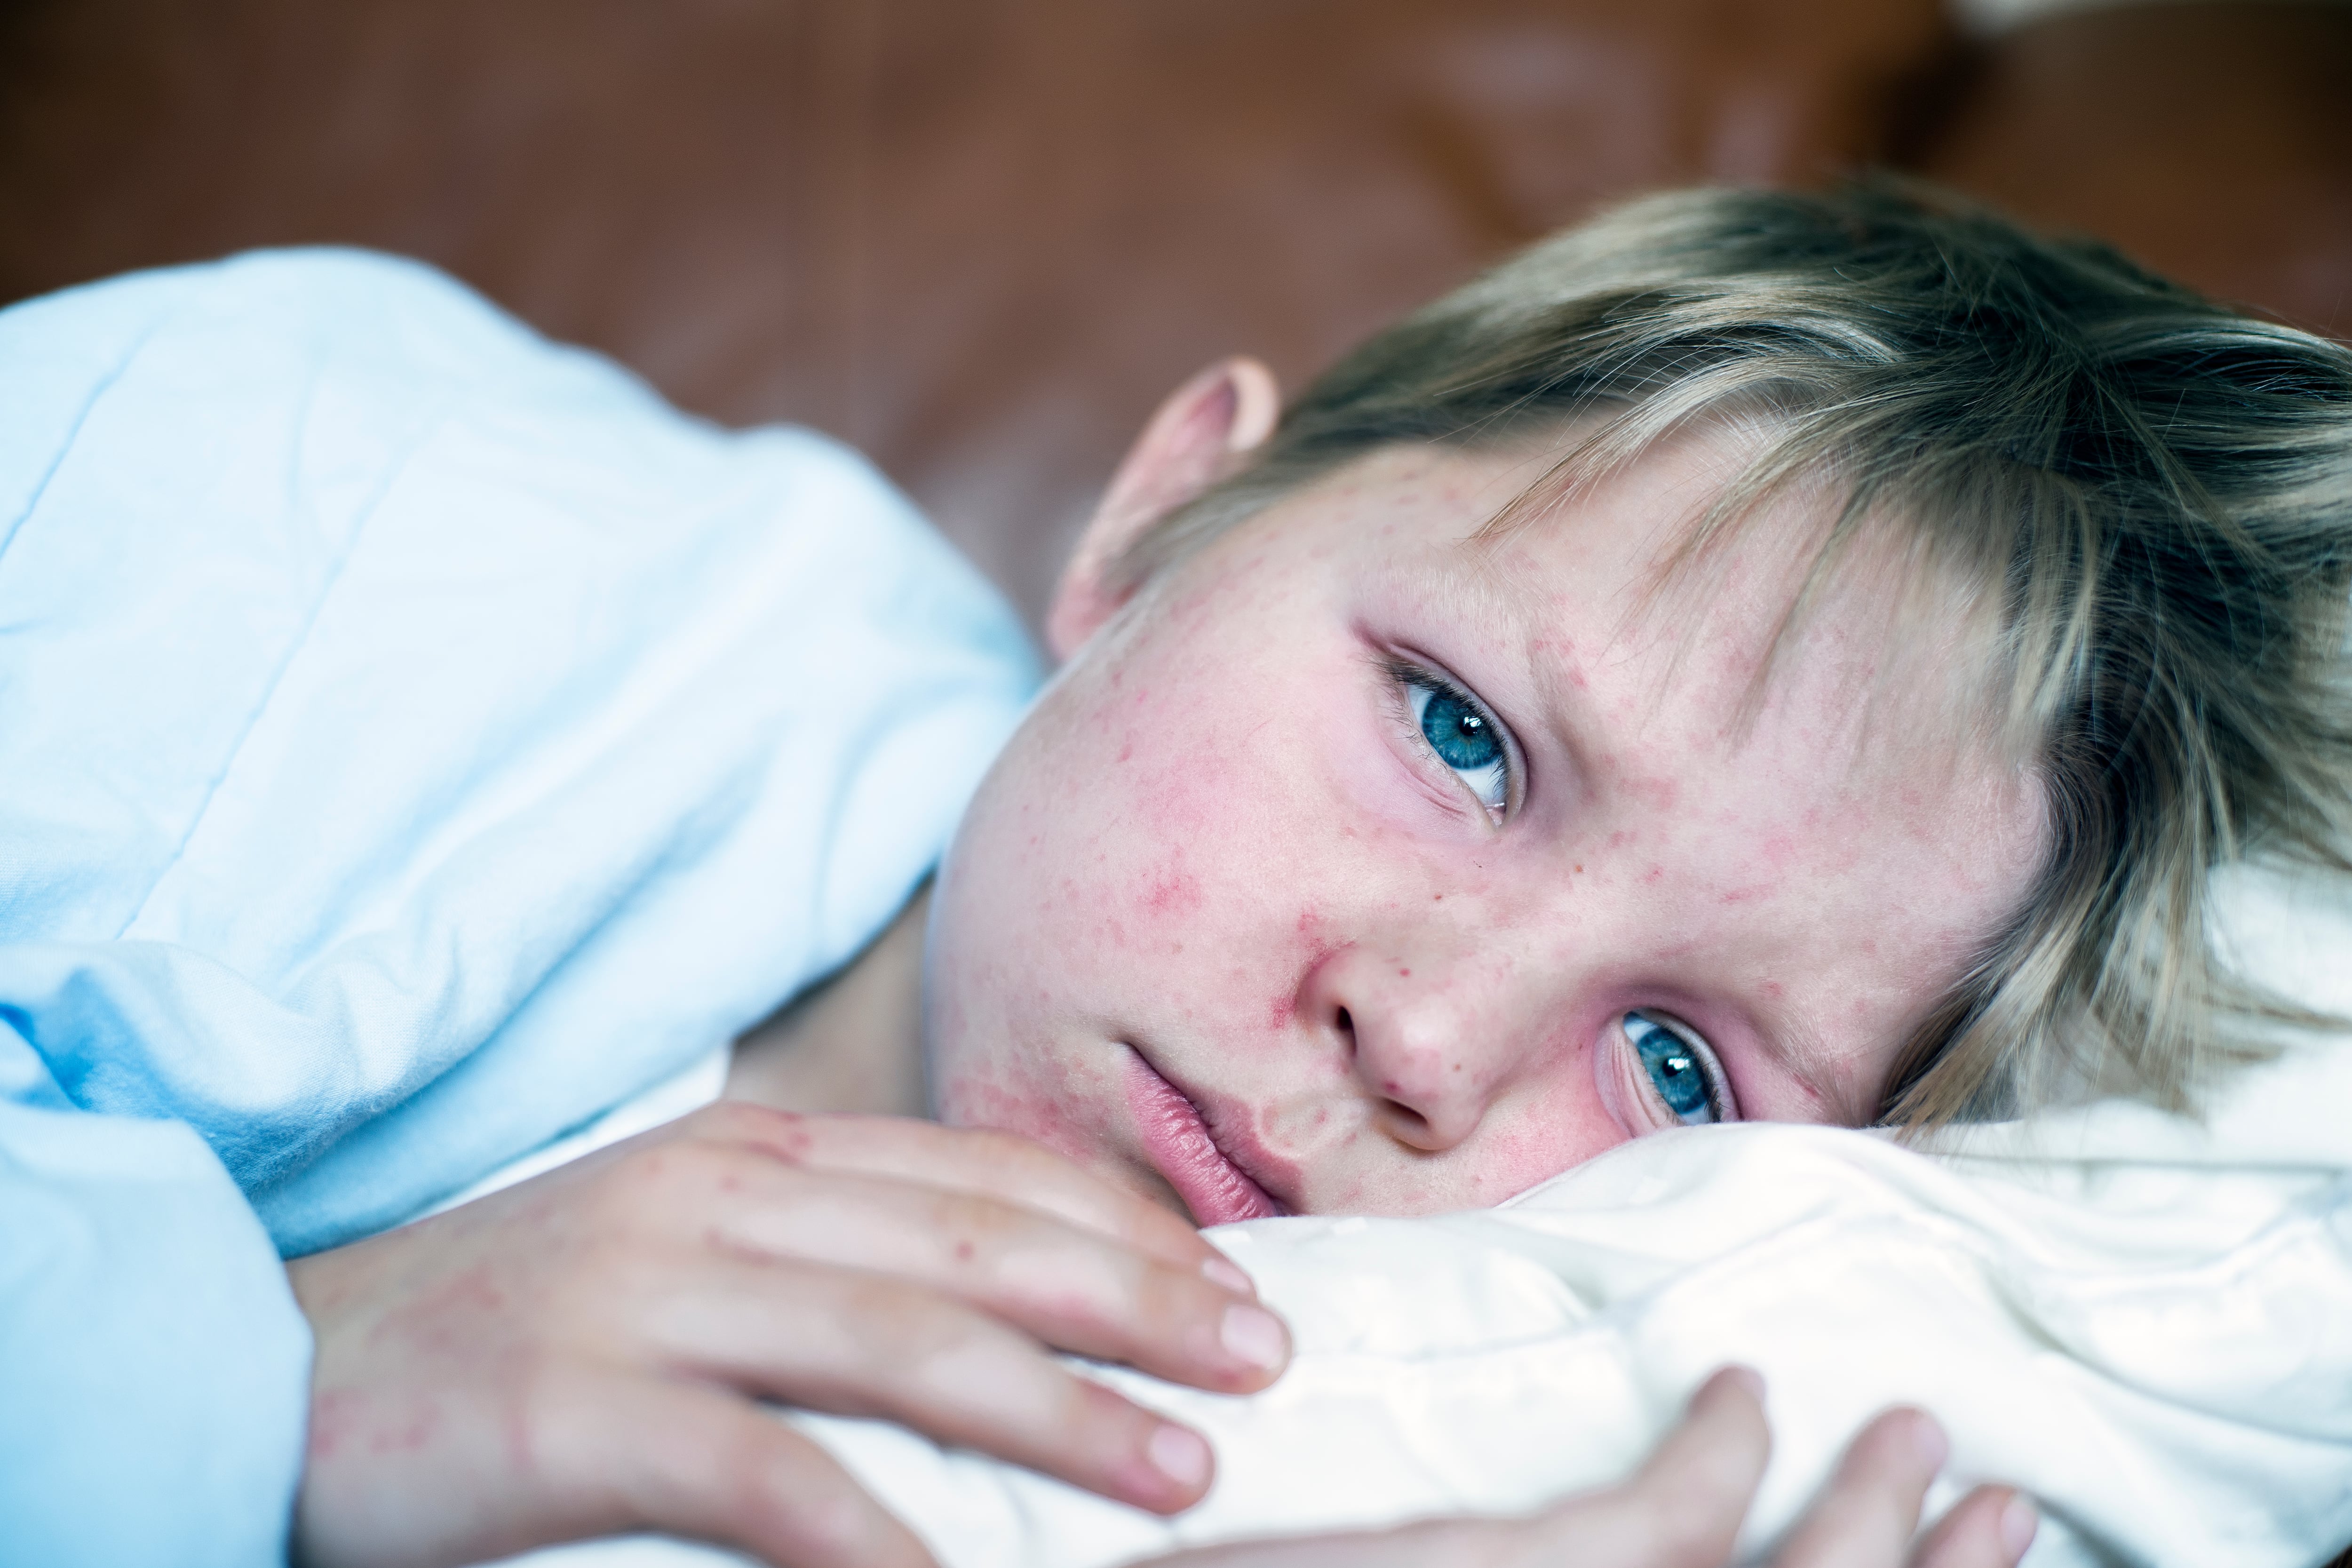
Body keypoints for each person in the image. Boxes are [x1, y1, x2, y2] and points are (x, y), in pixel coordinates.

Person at [3, 181, 2347, 1568]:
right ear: (1145, 531)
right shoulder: (322, 526)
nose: (1421, 1041)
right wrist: (261, 1383)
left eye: (1672, 1061)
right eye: (1459, 735)